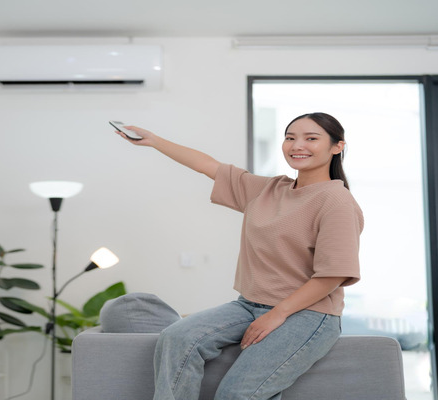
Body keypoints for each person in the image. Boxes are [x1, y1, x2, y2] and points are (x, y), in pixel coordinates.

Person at [113, 113, 364, 400]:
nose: (297, 145)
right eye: (290, 138)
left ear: (337, 147)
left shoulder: (337, 201)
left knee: (236, 393)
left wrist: (276, 315)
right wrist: (154, 141)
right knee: (177, 338)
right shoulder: (270, 189)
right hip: (248, 304)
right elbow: (208, 166)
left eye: (311, 138)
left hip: (308, 314)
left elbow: (333, 275)